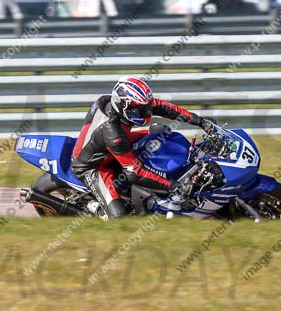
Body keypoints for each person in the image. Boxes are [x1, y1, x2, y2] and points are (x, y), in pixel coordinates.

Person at [71, 76, 222, 219]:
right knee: (119, 216)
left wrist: (200, 121)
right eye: (139, 110)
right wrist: (173, 186)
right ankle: (95, 207)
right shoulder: (111, 131)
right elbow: (134, 172)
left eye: (145, 108)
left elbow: (164, 108)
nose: (145, 113)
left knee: (160, 132)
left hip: (114, 143)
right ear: (123, 106)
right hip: (94, 166)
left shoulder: (119, 106)